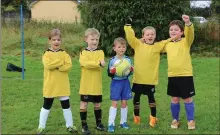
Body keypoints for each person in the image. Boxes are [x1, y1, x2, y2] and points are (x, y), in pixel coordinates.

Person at [124, 18, 171, 128]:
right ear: (143, 36)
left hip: (150, 79)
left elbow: (168, 41)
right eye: (147, 34)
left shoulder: (158, 46)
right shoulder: (137, 45)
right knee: (136, 98)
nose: (150, 36)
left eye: (152, 34)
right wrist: (127, 26)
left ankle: (153, 117)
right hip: (138, 78)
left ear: (155, 36)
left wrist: (175, 37)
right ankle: (137, 117)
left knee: (151, 98)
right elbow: (130, 37)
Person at [37, 29, 77, 134]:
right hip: (50, 85)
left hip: (62, 85)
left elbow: (68, 66)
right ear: (49, 41)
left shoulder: (64, 53)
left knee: (66, 106)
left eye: (58, 40)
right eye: (54, 39)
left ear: (61, 41)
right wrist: (60, 62)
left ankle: (70, 126)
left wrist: (59, 67)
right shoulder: (46, 54)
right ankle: (41, 126)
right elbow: (48, 65)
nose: (56, 42)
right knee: (46, 106)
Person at [163, 14, 196, 130]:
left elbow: (190, 34)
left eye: (176, 30)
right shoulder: (167, 44)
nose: (173, 31)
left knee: (187, 98)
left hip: (186, 75)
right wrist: (144, 40)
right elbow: (154, 47)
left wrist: (188, 23)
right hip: (172, 76)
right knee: (175, 99)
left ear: (182, 32)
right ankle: (175, 119)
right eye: (171, 29)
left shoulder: (186, 42)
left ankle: (191, 120)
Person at [79, 28, 106, 135]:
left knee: (97, 105)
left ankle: (98, 124)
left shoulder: (100, 52)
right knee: (84, 104)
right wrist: (98, 63)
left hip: (96, 84)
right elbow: (85, 64)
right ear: (86, 39)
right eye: (92, 39)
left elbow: (100, 63)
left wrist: (95, 63)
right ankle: (84, 126)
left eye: (96, 39)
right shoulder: (83, 52)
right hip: (85, 84)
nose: (94, 41)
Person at [107, 37, 133, 133]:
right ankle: (111, 123)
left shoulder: (128, 60)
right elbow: (109, 74)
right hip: (116, 83)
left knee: (124, 103)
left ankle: (123, 122)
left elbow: (129, 73)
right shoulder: (112, 60)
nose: (121, 49)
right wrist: (112, 72)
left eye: (123, 47)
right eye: (119, 47)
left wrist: (131, 71)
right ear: (114, 48)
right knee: (114, 103)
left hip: (125, 83)